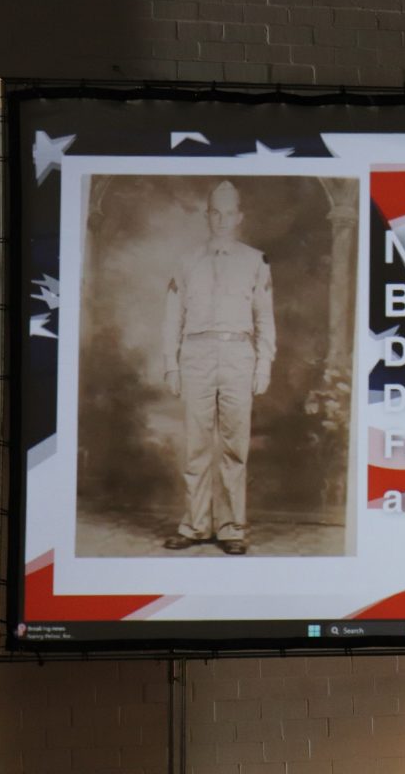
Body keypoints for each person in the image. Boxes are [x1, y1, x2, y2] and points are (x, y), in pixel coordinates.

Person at [161, 180, 275, 555]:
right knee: (196, 444)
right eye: (215, 212)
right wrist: (171, 364)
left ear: (239, 216)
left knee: (234, 446)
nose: (222, 220)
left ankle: (230, 528)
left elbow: (264, 317)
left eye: (229, 213)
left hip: (239, 355)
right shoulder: (186, 261)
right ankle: (195, 526)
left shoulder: (256, 261)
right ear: (206, 215)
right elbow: (172, 315)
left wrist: (263, 365)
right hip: (196, 355)